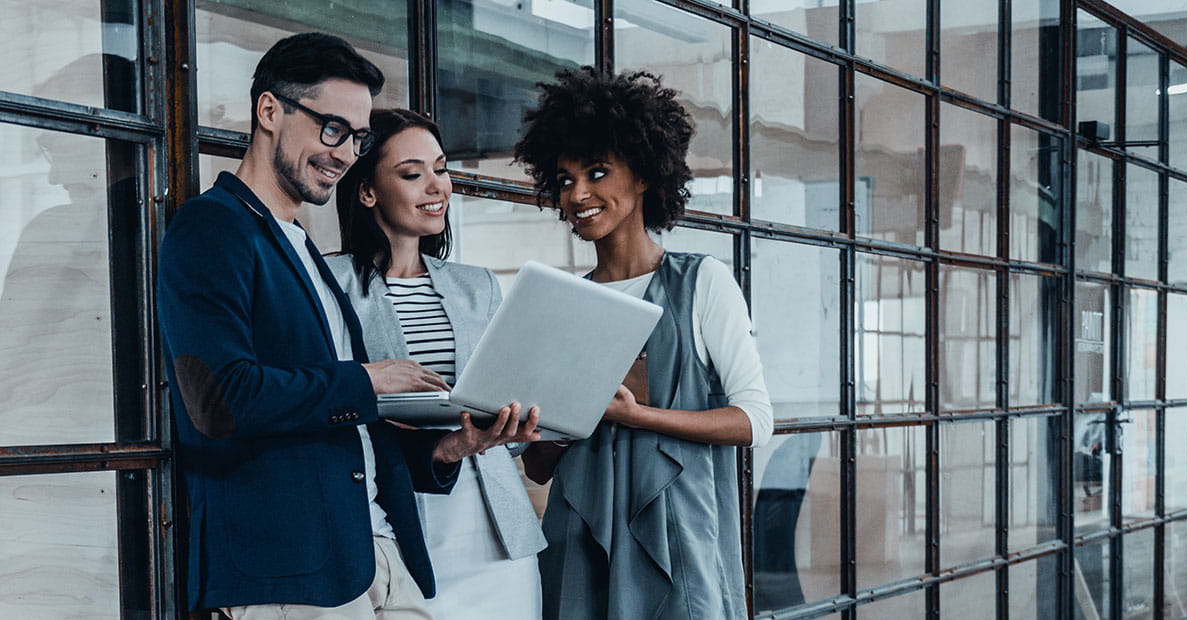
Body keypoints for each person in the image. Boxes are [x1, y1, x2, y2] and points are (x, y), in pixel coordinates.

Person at [157, 33, 520, 618]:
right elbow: (219, 400)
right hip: (292, 571)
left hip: (374, 551)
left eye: (357, 137)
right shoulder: (211, 228)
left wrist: (454, 446)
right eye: (332, 129)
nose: (346, 153)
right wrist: (369, 380)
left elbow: (338, 426)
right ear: (269, 110)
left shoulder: (300, 244)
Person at [514, 67, 774, 619]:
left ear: (644, 175)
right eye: (564, 180)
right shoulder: (561, 304)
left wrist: (639, 418)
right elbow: (537, 467)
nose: (578, 193)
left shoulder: (701, 281)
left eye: (597, 172)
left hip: (678, 537)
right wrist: (565, 418)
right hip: (578, 539)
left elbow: (753, 420)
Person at [327, 108, 547, 618]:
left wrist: (518, 420)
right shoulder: (329, 283)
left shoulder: (478, 285)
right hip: (401, 520)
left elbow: (500, 395)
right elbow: (333, 404)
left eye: (441, 169)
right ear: (367, 191)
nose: (436, 187)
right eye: (412, 174)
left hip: (496, 531)